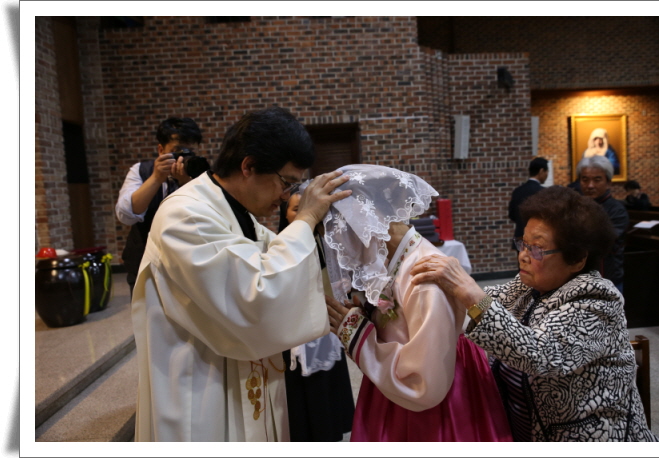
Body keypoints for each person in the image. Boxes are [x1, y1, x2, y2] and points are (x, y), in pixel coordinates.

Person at [130, 106, 352, 442]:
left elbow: (285, 264)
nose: (286, 196)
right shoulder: (186, 215)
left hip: (241, 380)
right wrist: (305, 219)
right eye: (286, 182)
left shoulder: (236, 214)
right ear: (248, 166)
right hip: (202, 391)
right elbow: (256, 297)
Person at [410, 186, 658, 442]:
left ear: (576, 259)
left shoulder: (598, 299)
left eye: (537, 249)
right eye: (523, 244)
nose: (523, 256)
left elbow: (540, 354)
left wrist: (468, 289)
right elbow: (486, 303)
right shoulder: (530, 286)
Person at [323, 164, 512, 442]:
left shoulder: (425, 276)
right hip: (395, 379)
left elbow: (422, 382)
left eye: (339, 233)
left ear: (363, 222)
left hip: (426, 393)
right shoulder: (395, 259)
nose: (341, 245)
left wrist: (357, 336)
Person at [278, 192, 355, 442]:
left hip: (325, 325)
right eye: (296, 209)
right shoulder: (279, 245)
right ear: (284, 214)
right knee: (304, 393)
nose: (303, 214)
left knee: (328, 384)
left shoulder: (326, 243)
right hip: (296, 328)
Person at [115, 117, 206, 296]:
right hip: (145, 263)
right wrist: (156, 178)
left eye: (190, 152)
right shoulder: (141, 171)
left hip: (189, 263)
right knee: (146, 311)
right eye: (177, 151)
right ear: (161, 150)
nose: (183, 158)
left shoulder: (202, 175)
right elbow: (126, 215)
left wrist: (186, 183)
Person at [577, 156, 629, 292]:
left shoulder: (617, 210)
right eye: (585, 180)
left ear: (608, 182)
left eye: (597, 180)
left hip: (607, 281)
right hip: (579, 280)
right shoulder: (576, 207)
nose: (590, 185)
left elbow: (602, 241)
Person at [508, 157, 549, 248]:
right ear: (541, 171)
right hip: (537, 238)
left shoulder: (518, 191)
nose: (547, 174)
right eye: (546, 172)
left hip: (520, 237)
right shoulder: (543, 192)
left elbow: (512, 214)